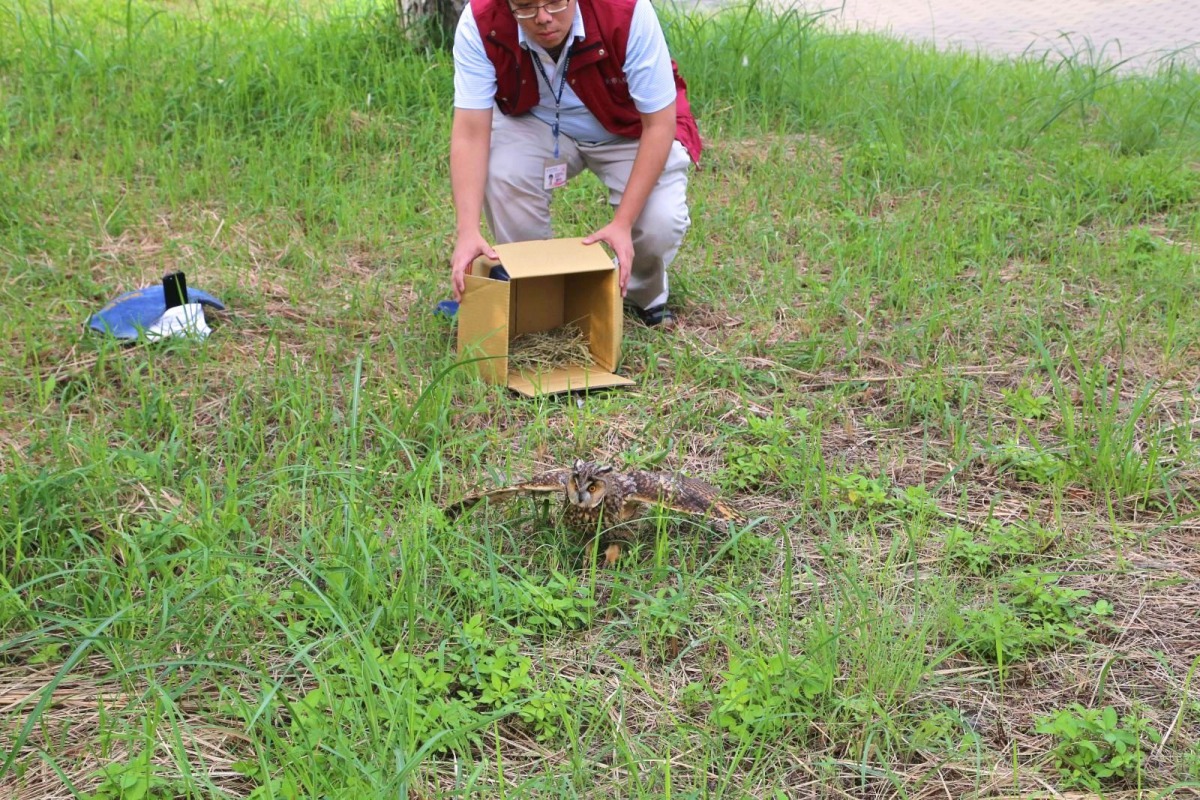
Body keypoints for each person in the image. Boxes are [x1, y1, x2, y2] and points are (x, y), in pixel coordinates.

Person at [448, 0, 701, 327]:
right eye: (525, 6)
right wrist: (467, 231)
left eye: (555, 1)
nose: (542, 17)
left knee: (658, 221)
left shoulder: (627, 11)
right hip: (536, 121)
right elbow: (470, 133)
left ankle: (637, 294)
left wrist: (622, 223)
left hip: (630, 128)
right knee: (504, 172)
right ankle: (536, 288)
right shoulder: (481, 20)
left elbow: (659, 125)